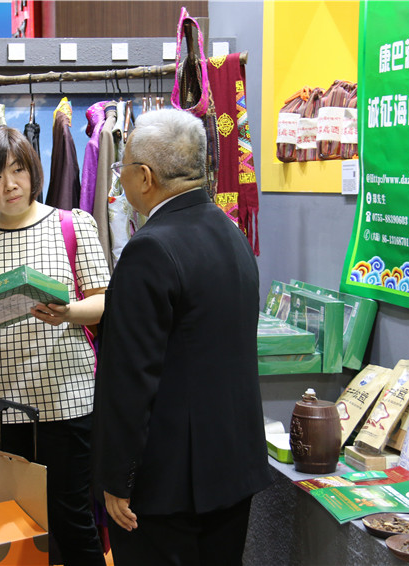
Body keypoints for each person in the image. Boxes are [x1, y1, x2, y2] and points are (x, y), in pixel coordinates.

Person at [93, 109, 272, 565]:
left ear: (145, 176)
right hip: (232, 467)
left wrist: (117, 477)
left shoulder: (149, 249)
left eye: (122, 168)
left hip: (168, 485)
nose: (119, 178)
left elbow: (130, 378)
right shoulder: (231, 233)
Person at [0, 126, 110, 566]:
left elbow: (105, 301)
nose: (10, 184)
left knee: (72, 519)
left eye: (18, 170)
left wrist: (68, 312)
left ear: (33, 170)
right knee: (9, 525)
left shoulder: (72, 224)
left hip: (65, 397)